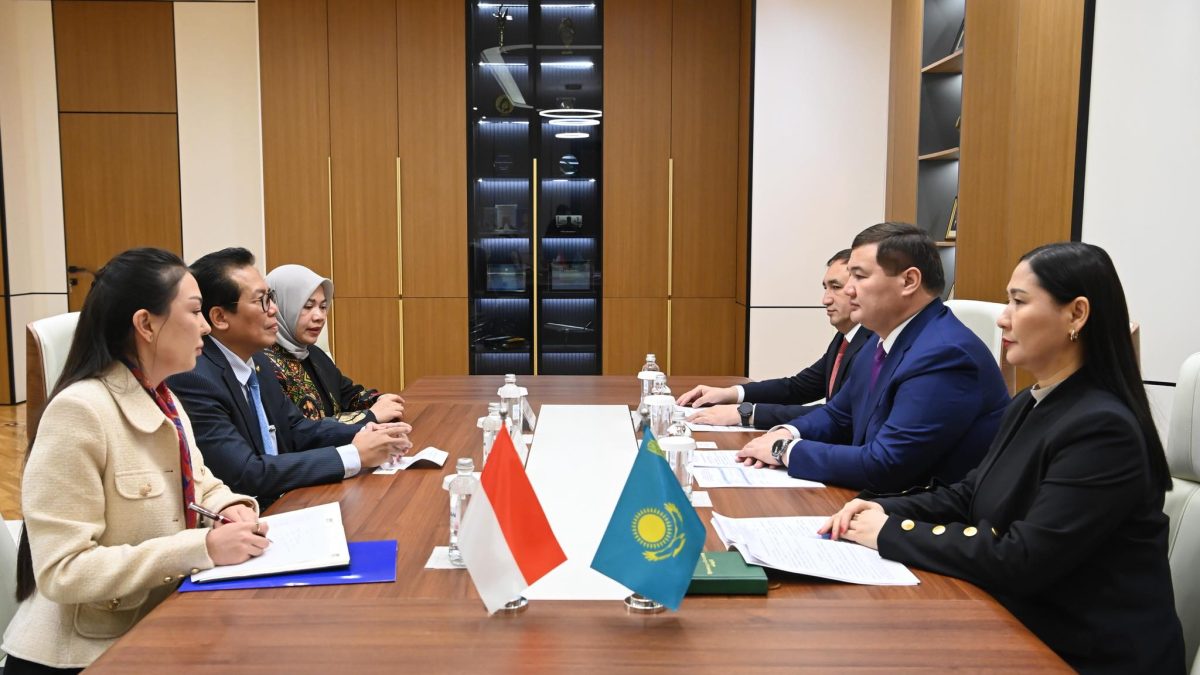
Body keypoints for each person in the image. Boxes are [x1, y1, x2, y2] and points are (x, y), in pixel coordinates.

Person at [820, 242, 1185, 673]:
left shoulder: (1103, 429)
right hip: (1026, 627)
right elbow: (970, 494)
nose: (1003, 318)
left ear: (1076, 314)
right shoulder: (1033, 401)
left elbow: (1024, 559)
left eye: (1019, 302)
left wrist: (890, 532)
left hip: (1083, 657)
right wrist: (882, 507)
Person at [1, 248, 269, 673]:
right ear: (146, 324)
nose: (204, 326)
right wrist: (200, 547)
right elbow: (63, 570)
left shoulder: (164, 398)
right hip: (83, 655)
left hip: (154, 627)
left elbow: (200, 481)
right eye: (194, 311)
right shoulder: (79, 412)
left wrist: (228, 506)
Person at [738, 222, 1009, 492]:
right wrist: (787, 433)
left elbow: (886, 465)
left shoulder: (945, 355)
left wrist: (784, 450)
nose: (849, 290)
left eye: (859, 276)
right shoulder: (879, 339)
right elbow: (838, 415)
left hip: (922, 508)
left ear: (909, 281)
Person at [168, 248, 411, 507]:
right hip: (248, 514)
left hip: (287, 501)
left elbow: (296, 429)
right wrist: (354, 455)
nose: (274, 309)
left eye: (271, 298)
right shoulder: (195, 378)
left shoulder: (257, 360)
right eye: (262, 300)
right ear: (219, 317)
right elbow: (246, 473)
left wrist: (364, 432)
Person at [676, 249, 874, 428]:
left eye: (836, 287)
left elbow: (839, 415)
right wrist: (730, 393)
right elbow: (798, 387)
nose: (825, 299)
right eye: (825, 288)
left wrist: (746, 413)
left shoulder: (872, 345)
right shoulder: (845, 338)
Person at [262, 264, 405, 424]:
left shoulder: (314, 353)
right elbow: (299, 430)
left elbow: (347, 395)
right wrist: (369, 416)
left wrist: (379, 400)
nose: (319, 316)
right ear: (278, 307)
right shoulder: (264, 366)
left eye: (323, 307)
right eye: (308, 306)